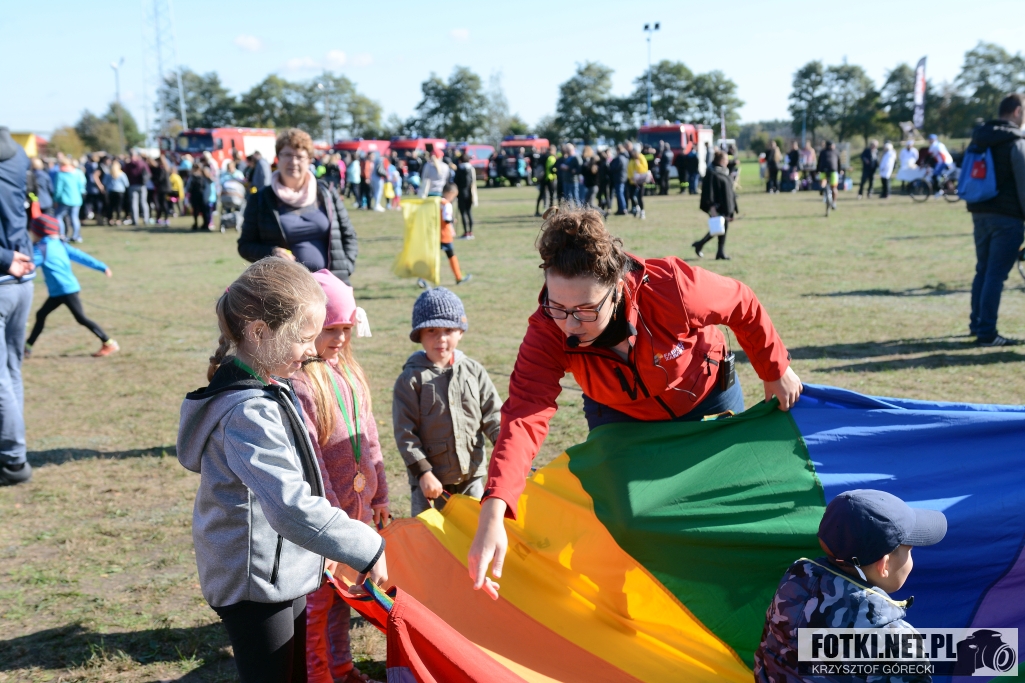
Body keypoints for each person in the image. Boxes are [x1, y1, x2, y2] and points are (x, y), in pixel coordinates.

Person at [466, 207, 802, 594]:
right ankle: (635, 601)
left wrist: (774, 368)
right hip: (619, 415)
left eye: (585, 310)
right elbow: (525, 412)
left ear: (616, 286)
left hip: (706, 396)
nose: (570, 324)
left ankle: (732, 587)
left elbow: (741, 302)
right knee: (626, 519)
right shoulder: (547, 330)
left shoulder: (673, 287)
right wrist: (494, 509)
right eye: (557, 306)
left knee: (727, 498)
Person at [178, 258, 387, 683]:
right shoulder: (247, 413)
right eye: (304, 338)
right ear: (259, 333)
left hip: (283, 570)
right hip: (256, 585)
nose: (312, 350)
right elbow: (291, 506)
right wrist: (368, 547)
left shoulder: (273, 385)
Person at [291, 270, 389, 683]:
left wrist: (380, 494)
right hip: (326, 524)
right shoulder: (301, 384)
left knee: (343, 599)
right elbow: (312, 462)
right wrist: (333, 520)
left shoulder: (349, 372)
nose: (341, 338)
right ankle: (319, 675)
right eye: (331, 329)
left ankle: (343, 668)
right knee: (317, 606)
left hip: (357, 513)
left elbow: (370, 437)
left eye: (347, 328)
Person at [754, 489, 947, 683]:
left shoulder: (792, 586)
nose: (911, 557)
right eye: (910, 550)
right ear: (884, 565)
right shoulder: (897, 643)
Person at [393, 287, 501, 516]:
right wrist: (423, 472)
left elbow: (494, 415)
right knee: (428, 534)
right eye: (432, 330)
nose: (441, 338)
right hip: (430, 482)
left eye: (448, 330)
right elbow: (405, 433)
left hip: (472, 474)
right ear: (419, 335)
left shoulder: (474, 371)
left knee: (472, 529)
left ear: (460, 332)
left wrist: (506, 447)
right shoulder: (410, 379)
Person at [240, 128, 359, 285]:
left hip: (333, 286)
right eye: (287, 155)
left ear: (309, 160)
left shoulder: (326, 194)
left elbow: (349, 236)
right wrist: (272, 253)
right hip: (288, 290)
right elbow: (245, 245)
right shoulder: (260, 199)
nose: (293, 162)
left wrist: (345, 268)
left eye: (300, 156)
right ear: (278, 158)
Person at [965, 93, 1025, 347]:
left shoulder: (980, 137)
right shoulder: (1015, 142)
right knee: (995, 275)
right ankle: (987, 332)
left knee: (983, 270)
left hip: (979, 212)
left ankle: (977, 323)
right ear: (1017, 111)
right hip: (1008, 217)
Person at [24, 215, 118, 358]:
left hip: (65, 290)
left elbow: (27, 267)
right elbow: (80, 256)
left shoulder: (41, 248)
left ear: (38, 232)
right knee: (41, 314)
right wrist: (102, 266)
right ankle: (27, 347)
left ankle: (109, 342)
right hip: (61, 290)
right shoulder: (59, 244)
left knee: (81, 318)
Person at [0, 127, 36, 486]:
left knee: (3, 376)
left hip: (5, 275)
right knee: (10, 371)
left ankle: (12, 459)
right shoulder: (15, 155)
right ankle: (11, 450)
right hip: (21, 280)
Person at [693, 149, 739, 261]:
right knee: (719, 227)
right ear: (721, 160)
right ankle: (708, 247)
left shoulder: (725, 171)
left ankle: (716, 250)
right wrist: (712, 207)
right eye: (726, 159)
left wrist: (734, 206)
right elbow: (709, 192)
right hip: (717, 206)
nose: (728, 161)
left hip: (726, 205)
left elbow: (729, 189)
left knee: (722, 228)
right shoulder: (712, 172)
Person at [438, 183, 471, 285]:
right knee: (451, 255)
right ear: (450, 193)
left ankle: (422, 279)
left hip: (435, 234)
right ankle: (458, 277)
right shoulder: (447, 204)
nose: (454, 199)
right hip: (445, 235)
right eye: (454, 196)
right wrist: (453, 220)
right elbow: (447, 219)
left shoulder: (437, 201)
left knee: (432, 257)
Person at [53, 158, 85, 242]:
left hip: (64, 200)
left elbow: (58, 189)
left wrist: (56, 199)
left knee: (58, 217)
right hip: (76, 199)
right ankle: (76, 236)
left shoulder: (61, 174)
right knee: (74, 218)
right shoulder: (77, 172)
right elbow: (81, 186)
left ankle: (62, 235)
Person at [122, 151, 150, 226]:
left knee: (134, 203)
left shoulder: (128, 165)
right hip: (141, 185)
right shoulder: (142, 163)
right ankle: (146, 219)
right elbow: (148, 173)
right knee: (143, 203)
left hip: (133, 185)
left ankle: (135, 220)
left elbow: (124, 172)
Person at [454, 151, 478, 239]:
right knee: (469, 212)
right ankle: (470, 232)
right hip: (470, 193)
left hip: (461, 194)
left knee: (463, 213)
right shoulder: (471, 169)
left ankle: (466, 232)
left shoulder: (459, 170)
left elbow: (455, 182)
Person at [187, 165, 212, 230]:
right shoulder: (203, 177)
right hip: (201, 196)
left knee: (197, 211)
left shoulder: (193, 177)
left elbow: (188, 187)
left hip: (196, 196)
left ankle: (198, 224)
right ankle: (205, 224)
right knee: (203, 211)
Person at [104, 160, 129, 225]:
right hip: (120, 192)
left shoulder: (108, 174)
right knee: (119, 206)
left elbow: (105, 182)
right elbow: (126, 184)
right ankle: (118, 219)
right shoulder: (122, 174)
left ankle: (110, 219)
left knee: (111, 206)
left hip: (111, 191)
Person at [534, 145, 558, 216]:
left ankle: (537, 211)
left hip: (542, 178)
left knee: (541, 195)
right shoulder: (551, 158)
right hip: (550, 178)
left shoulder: (543, 156)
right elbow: (551, 169)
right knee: (551, 195)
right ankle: (551, 211)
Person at [626, 148, 648, 219]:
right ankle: (636, 207)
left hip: (640, 181)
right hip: (632, 181)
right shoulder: (631, 159)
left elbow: (644, 170)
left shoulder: (641, 157)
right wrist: (630, 177)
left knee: (640, 197)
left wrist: (638, 164)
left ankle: (642, 212)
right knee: (632, 196)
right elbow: (629, 169)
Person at [817, 141, 840, 210]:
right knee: (834, 188)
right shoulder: (836, 152)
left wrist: (817, 170)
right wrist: (839, 170)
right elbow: (839, 163)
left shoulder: (822, 152)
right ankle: (834, 203)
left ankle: (822, 189)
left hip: (824, 170)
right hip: (833, 171)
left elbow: (819, 162)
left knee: (823, 182)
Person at [150, 155, 172, 225]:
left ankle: (164, 218)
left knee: (162, 203)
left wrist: (153, 179)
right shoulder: (165, 168)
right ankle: (163, 218)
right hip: (166, 188)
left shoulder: (161, 168)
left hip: (163, 189)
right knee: (163, 203)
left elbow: (160, 178)